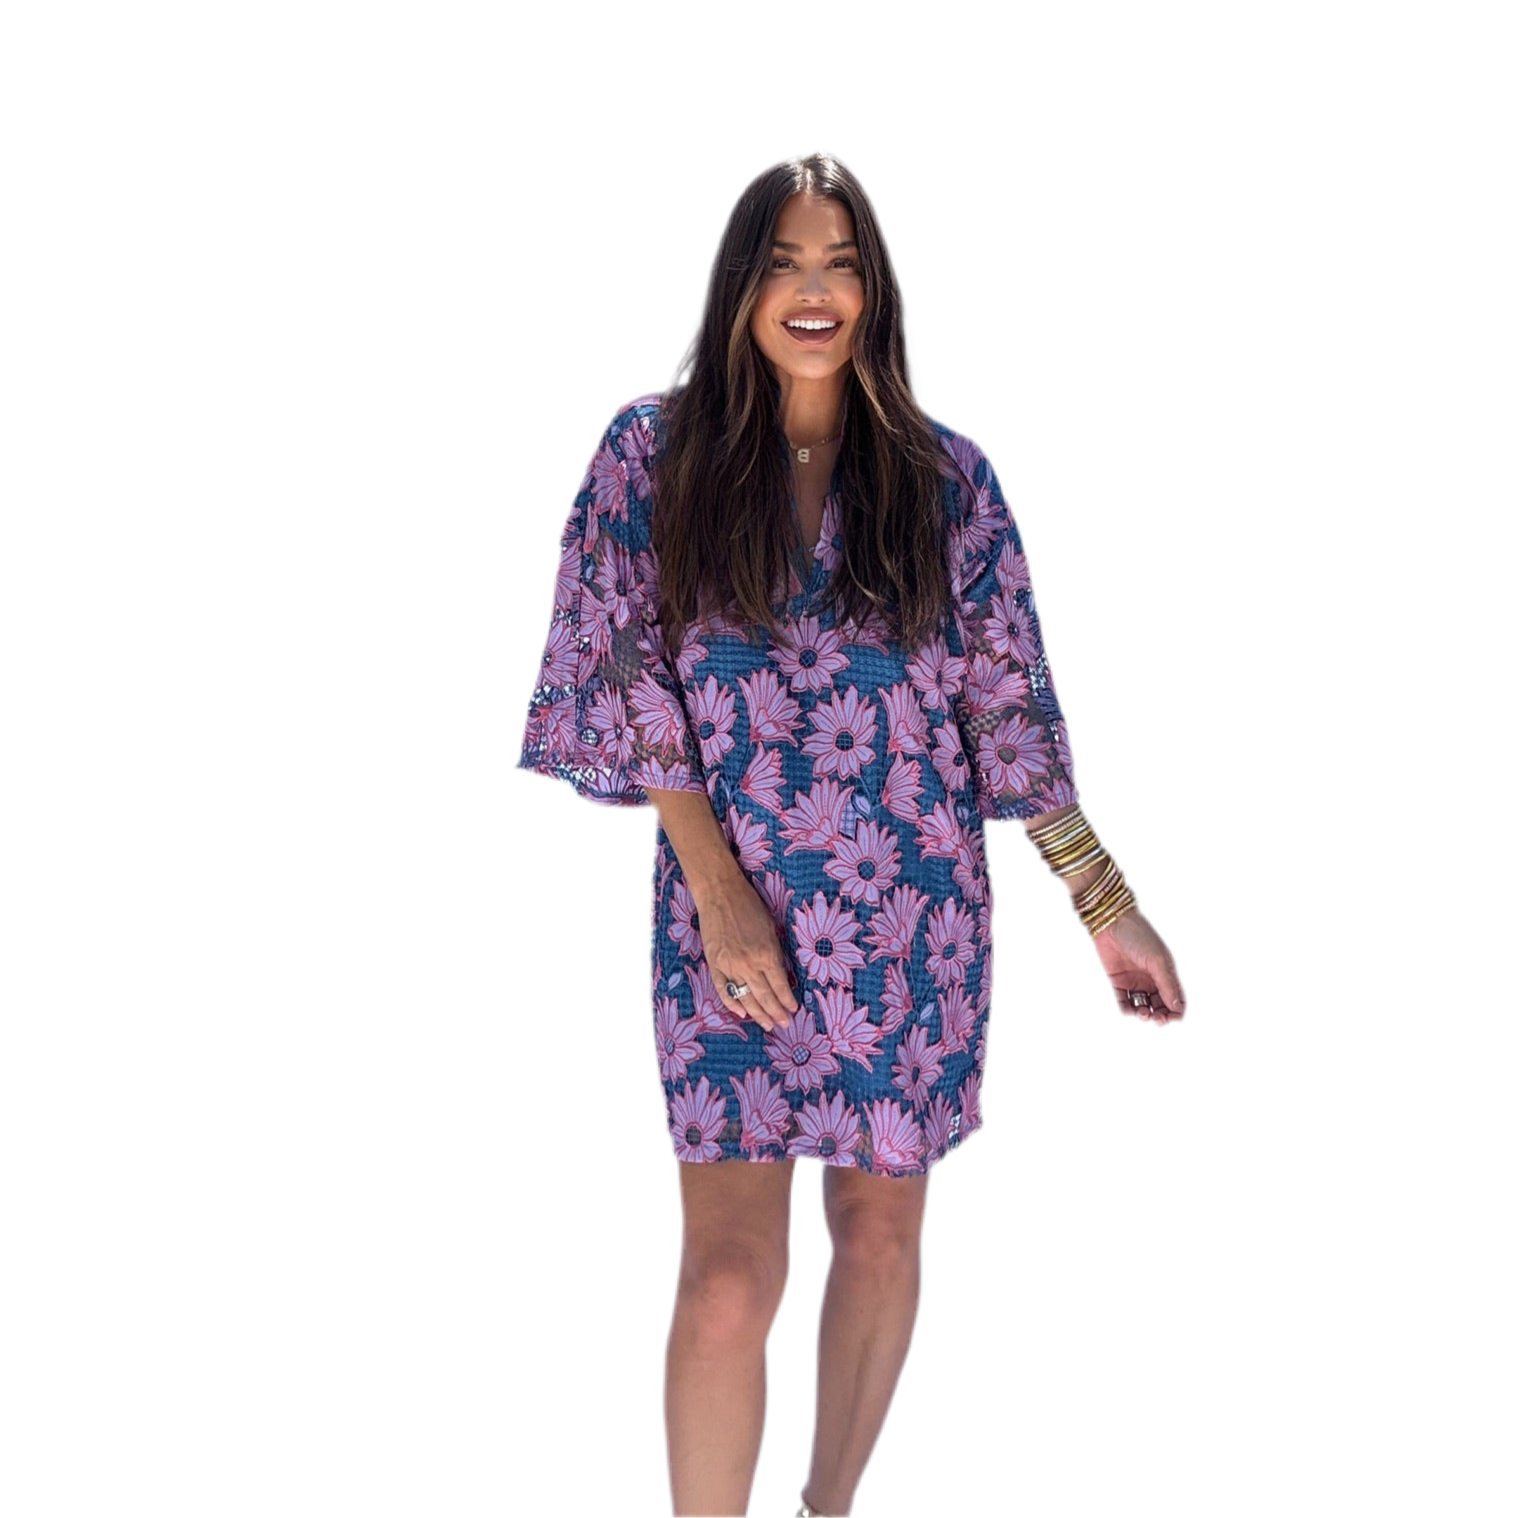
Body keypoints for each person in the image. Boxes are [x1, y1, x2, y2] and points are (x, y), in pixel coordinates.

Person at [516, 153, 1186, 1518]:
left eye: (840, 264)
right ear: (740, 288)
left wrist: (1104, 902)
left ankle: (827, 1508)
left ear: (875, 290)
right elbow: (628, 679)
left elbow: (1005, 705)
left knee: (877, 1234)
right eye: (782, 263)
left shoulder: (946, 483)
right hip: (732, 920)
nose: (812, 291)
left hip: (910, 917)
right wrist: (716, 888)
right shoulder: (654, 456)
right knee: (725, 1279)